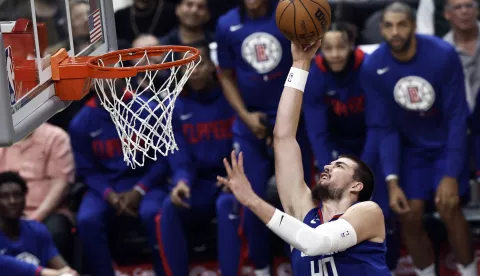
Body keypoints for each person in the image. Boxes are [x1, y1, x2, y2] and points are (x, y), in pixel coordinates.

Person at [217, 39, 390, 275]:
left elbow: (315, 243)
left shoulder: (368, 212)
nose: (328, 166)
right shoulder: (302, 212)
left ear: (356, 185)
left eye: (339, 165)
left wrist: (253, 201)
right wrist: (300, 63)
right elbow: (284, 138)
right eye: (331, 162)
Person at [362, 2, 476, 275]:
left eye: (401, 24)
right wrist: (391, 180)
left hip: (446, 145)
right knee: (409, 215)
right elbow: (384, 127)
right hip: (411, 150)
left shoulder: (442, 54)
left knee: (449, 209)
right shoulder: (373, 65)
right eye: (388, 26)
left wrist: (450, 173)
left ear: (414, 26)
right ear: (381, 29)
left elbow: (457, 117)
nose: (395, 32)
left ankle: (469, 271)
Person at [215, 0, 313, 274]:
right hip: (250, 125)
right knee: (250, 199)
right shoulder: (226, 23)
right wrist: (246, 117)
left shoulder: (289, 15)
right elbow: (225, 74)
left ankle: (304, 266)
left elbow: (305, 65)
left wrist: (285, 122)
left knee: (300, 202)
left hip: (293, 121)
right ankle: (260, 269)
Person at [69, 88, 190, 276]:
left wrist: (140, 189)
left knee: (154, 213)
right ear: (91, 83)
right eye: (101, 76)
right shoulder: (80, 123)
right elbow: (87, 171)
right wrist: (108, 194)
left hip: (147, 182)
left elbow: (164, 158)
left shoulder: (149, 110)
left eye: (113, 74)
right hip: (107, 186)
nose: (107, 82)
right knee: (87, 220)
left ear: (124, 76)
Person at [157, 40, 234, 276]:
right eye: (187, 66)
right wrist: (182, 182)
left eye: (200, 64)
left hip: (233, 179)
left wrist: (237, 178)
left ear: (212, 65)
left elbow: (245, 146)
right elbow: (179, 156)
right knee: (170, 207)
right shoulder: (174, 107)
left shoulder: (232, 97)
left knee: (227, 205)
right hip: (199, 183)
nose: (194, 71)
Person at [0, 123, 75, 267]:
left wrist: (34, 219)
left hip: (47, 213)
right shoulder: (2, 137)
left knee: (55, 231)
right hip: (4, 212)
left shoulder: (56, 137)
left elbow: (61, 184)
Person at [0, 171, 78, 276]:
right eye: (4, 196)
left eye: (17, 195)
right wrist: (43, 272)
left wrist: (69, 273)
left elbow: (62, 267)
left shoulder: (37, 230)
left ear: (25, 199)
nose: (12, 201)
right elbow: (4, 263)